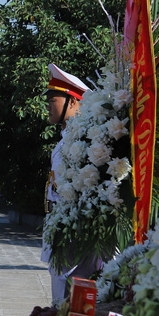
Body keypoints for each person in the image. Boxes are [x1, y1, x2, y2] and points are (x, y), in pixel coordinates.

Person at [43, 63, 99, 303]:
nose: (48, 105)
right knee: (60, 301)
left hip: (77, 237)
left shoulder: (87, 140)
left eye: (53, 99)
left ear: (73, 102)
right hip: (62, 228)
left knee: (72, 304)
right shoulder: (66, 139)